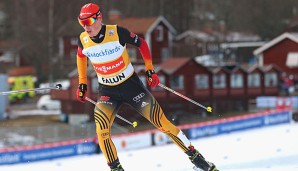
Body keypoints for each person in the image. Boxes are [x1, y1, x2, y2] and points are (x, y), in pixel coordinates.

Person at [76, 3, 218, 171]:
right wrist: (82, 82)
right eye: (81, 22)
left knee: (162, 123)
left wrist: (150, 69)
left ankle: (198, 160)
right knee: (102, 130)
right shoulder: (83, 40)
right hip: (108, 91)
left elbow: (142, 44)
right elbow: (81, 56)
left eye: (89, 21)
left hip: (131, 86)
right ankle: (116, 169)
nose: (86, 26)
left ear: (99, 18)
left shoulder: (117, 32)